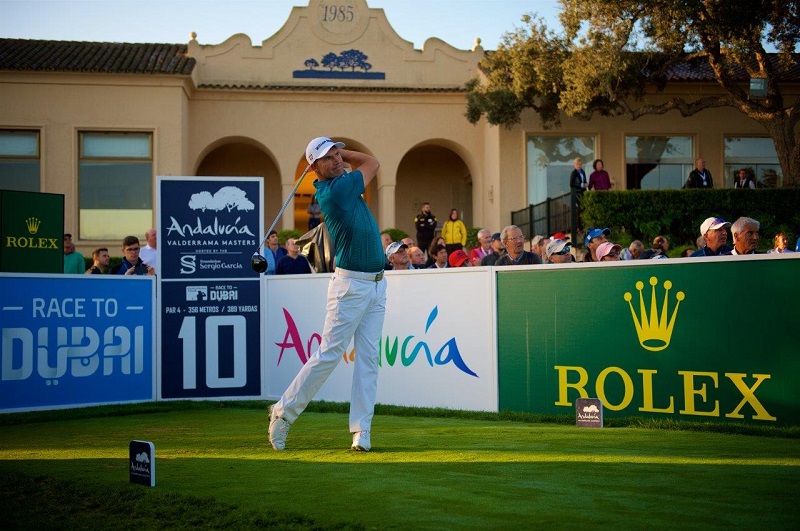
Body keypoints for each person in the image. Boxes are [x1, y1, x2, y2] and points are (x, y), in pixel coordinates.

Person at [268, 137, 384, 453]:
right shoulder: (335, 191)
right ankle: (283, 412)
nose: (336, 160)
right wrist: (345, 153)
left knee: (369, 359)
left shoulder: (342, 182)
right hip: (351, 287)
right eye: (328, 157)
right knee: (329, 354)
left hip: (377, 284)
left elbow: (366, 164)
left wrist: (336, 154)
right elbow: (372, 162)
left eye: (337, 154)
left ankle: (362, 430)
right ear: (315, 168)